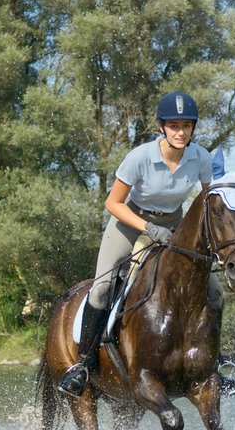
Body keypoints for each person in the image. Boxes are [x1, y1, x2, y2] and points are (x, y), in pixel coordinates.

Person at [59, 91, 218, 398]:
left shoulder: (201, 158)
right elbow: (113, 202)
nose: (181, 132)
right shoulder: (140, 157)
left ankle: (214, 363)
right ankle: (83, 365)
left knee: (214, 291)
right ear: (162, 127)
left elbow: (209, 203)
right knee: (104, 287)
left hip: (175, 225)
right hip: (130, 222)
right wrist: (147, 227)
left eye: (186, 125)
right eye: (174, 125)